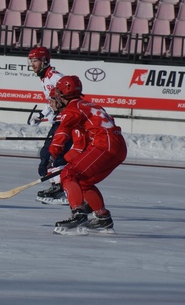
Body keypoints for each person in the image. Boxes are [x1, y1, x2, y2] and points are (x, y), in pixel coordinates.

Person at [48, 75, 127, 235]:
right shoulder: (89, 105)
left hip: (104, 145)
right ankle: (103, 218)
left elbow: (63, 131)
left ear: (63, 93)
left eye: (58, 93)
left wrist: (53, 154)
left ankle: (78, 214)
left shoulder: (72, 109)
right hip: (118, 146)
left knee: (69, 174)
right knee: (83, 182)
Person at [27, 47, 70, 205]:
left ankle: (61, 189)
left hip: (64, 122)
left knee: (50, 154)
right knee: (50, 155)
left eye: (35, 60)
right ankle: (59, 187)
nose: (32, 64)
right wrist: (42, 115)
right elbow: (52, 101)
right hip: (58, 121)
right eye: (30, 61)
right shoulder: (45, 78)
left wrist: (62, 116)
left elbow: (69, 95)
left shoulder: (55, 77)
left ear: (45, 61)